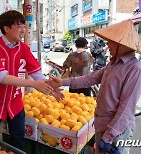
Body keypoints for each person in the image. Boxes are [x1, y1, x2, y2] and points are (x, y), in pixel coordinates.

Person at [49, 19, 141, 154]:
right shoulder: (113, 64)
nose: (108, 45)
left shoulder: (134, 69)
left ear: (122, 44)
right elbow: (90, 79)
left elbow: (126, 109)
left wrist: (108, 137)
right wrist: (63, 82)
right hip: (101, 125)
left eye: (111, 41)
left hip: (116, 132)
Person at [0, 10, 62, 151]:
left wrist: (51, 88)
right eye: (19, 27)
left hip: (15, 104)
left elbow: (36, 73)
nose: (23, 30)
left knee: (18, 140)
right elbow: (1, 77)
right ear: (7, 28)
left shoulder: (24, 48)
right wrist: (34, 84)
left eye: (24, 26)